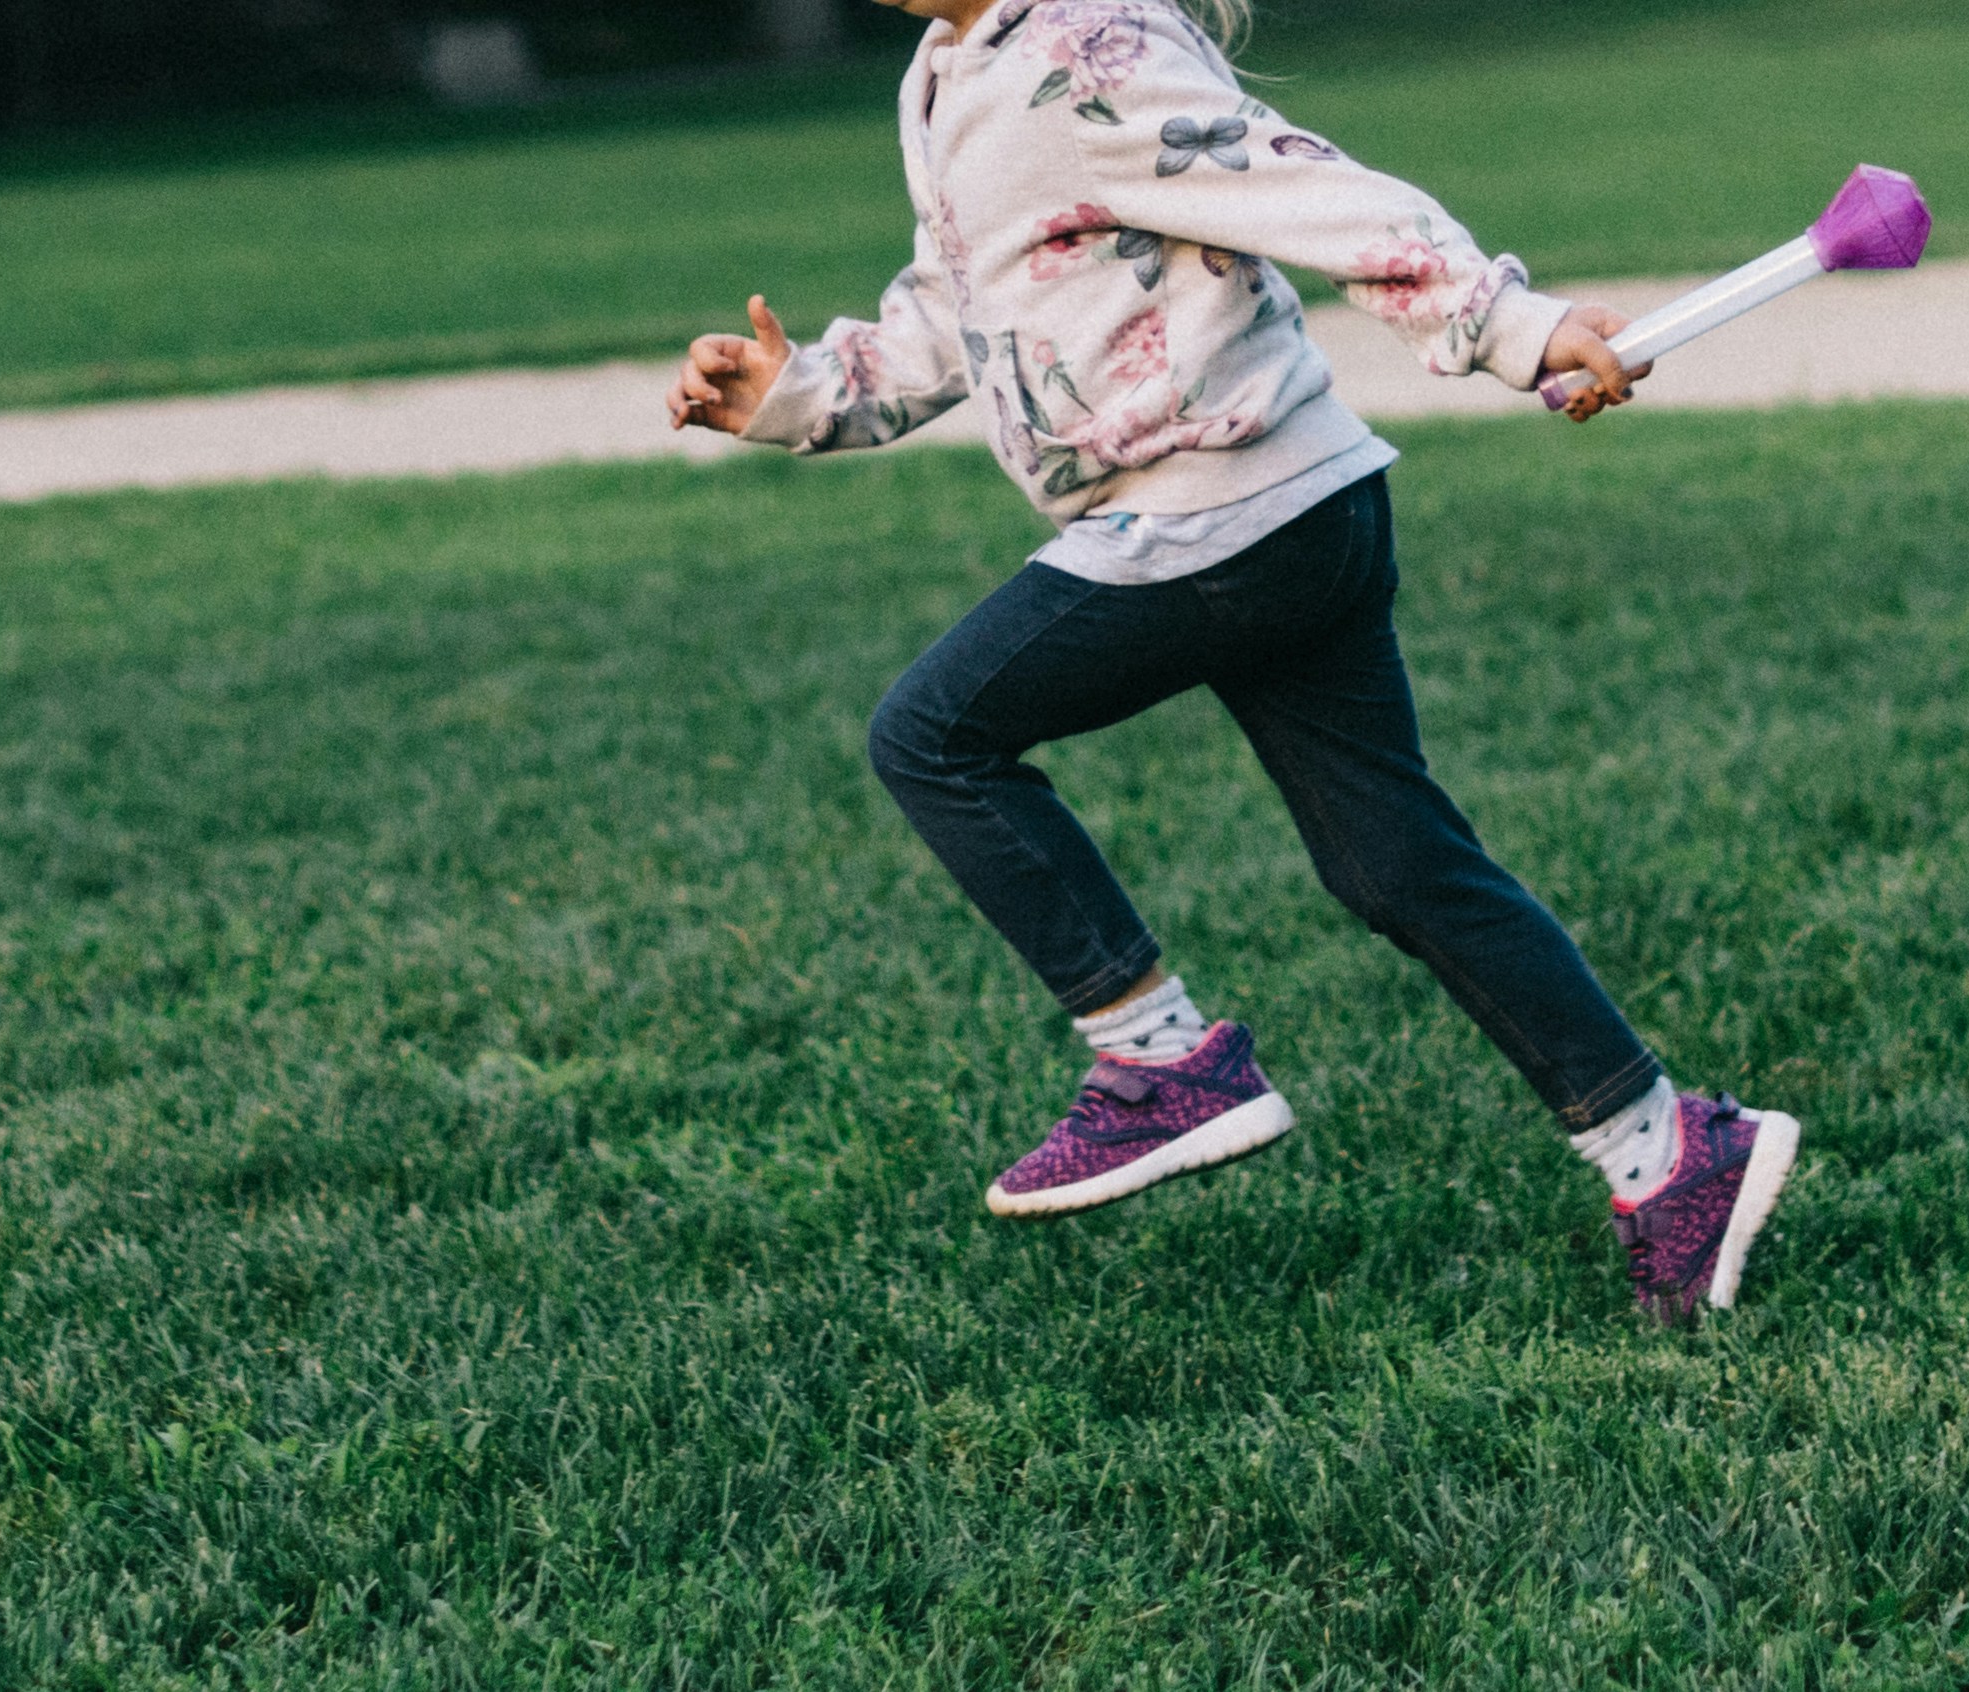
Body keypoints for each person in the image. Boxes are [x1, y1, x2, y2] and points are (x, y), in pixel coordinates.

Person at [668, 0, 1798, 1322]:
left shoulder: (1082, 48)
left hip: (1221, 508)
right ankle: (1669, 1157)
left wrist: (1510, 324)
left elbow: (1296, 186)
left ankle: (1157, 1061)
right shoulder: (945, 74)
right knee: (1394, 865)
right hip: (1288, 507)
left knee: (933, 736)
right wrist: (796, 393)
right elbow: (953, 300)